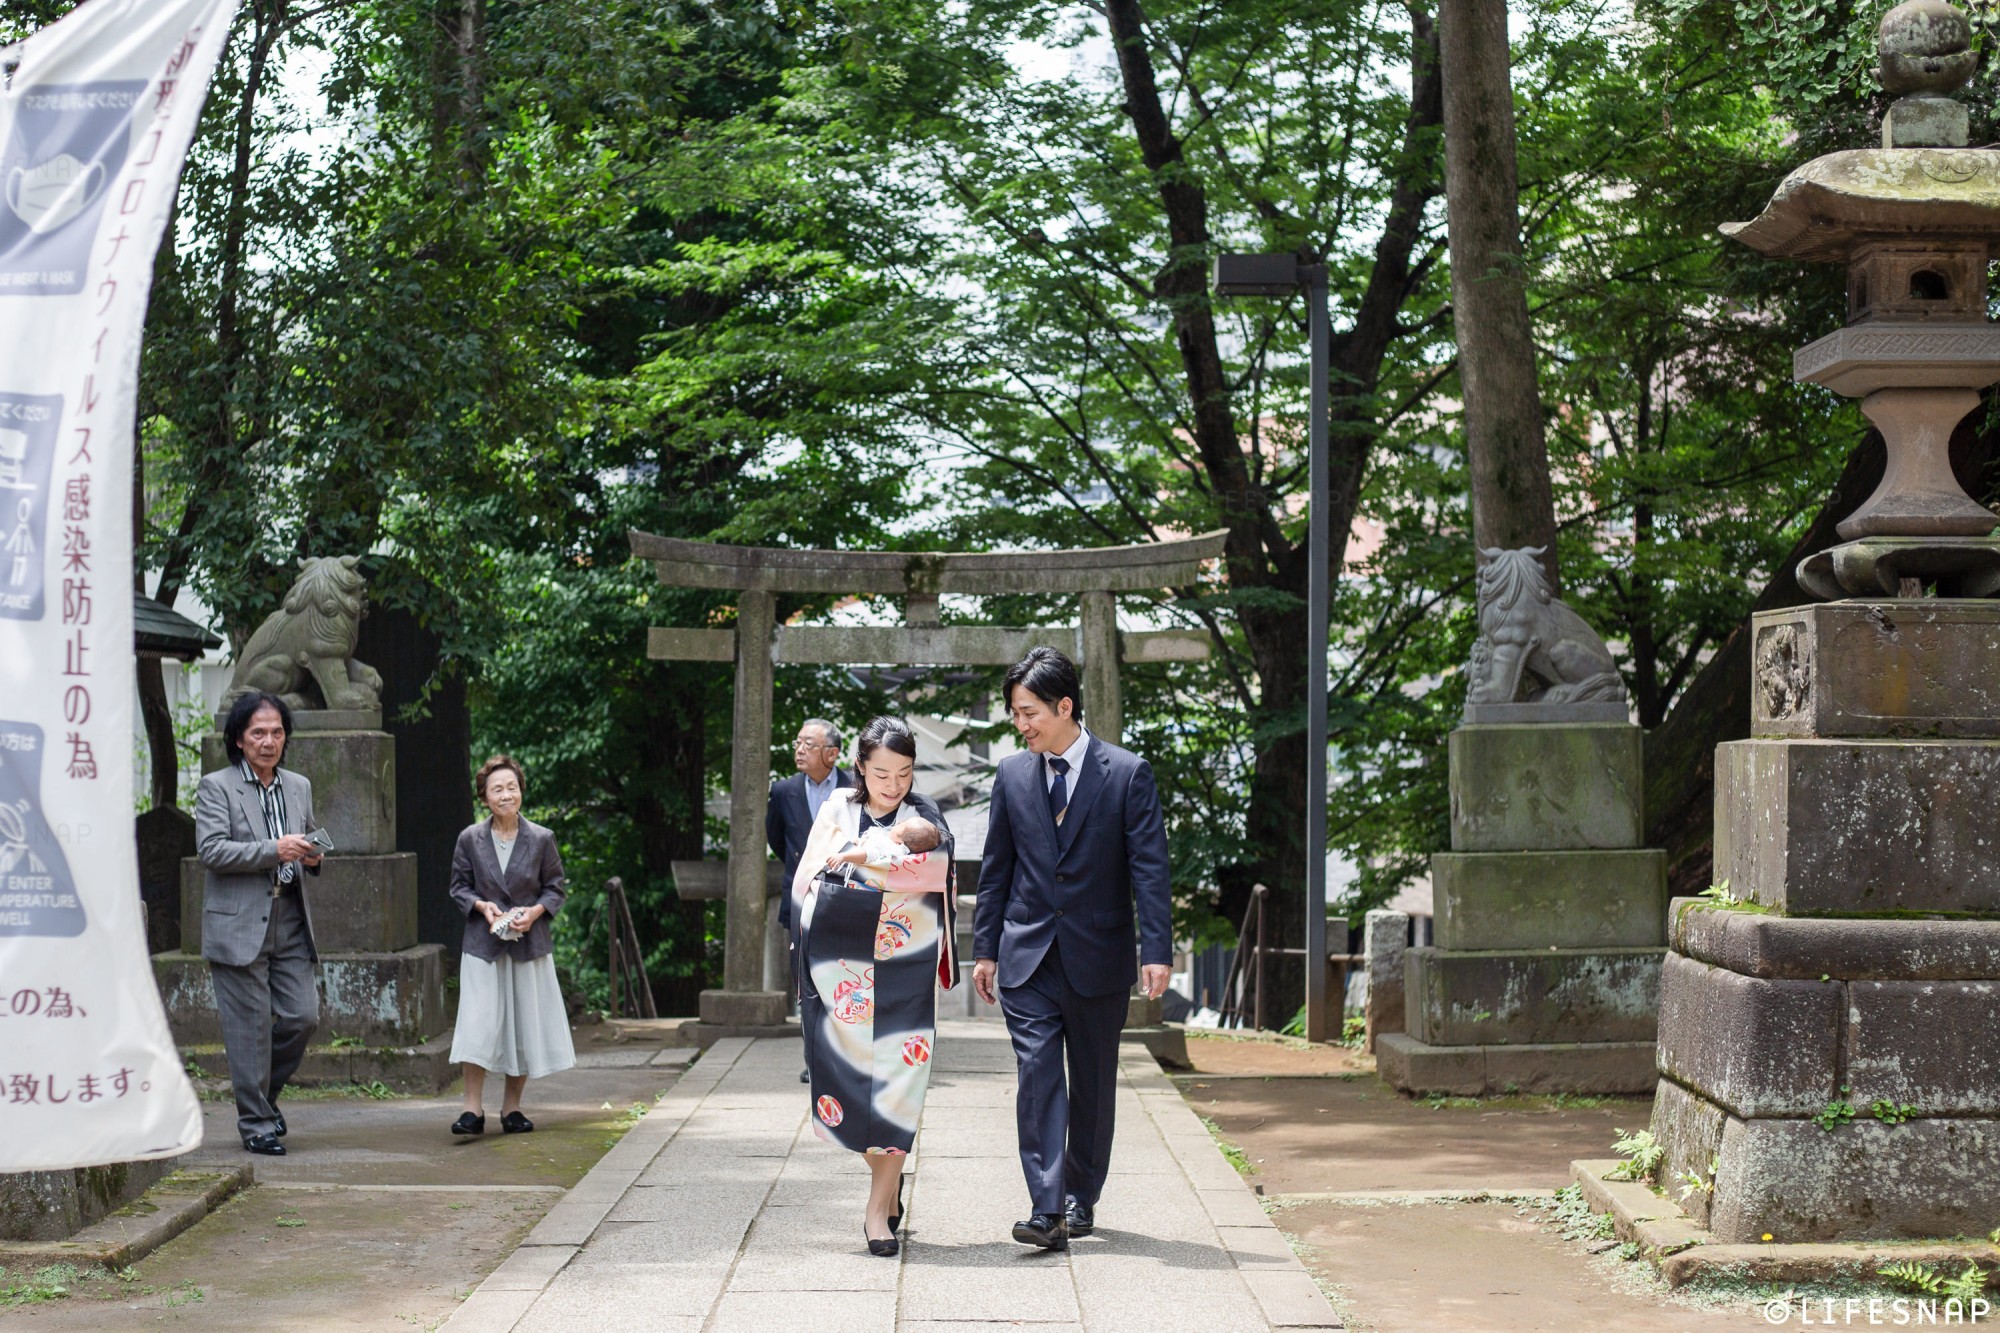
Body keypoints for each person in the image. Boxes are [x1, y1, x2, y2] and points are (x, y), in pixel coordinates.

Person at [971, 646, 1171, 1250]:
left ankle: (1082, 1195)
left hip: (1098, 955)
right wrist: (985, 949)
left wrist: (1156, 950)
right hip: (1027, 955)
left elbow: (1149, 869)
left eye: (1029, 712)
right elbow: (996, 868)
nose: (1020, 724)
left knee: (1092, 1082)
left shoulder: (1127, 773)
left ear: (1065, 706)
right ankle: (1046, 1208)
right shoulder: (1011, 775)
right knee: (1036, 1075)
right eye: (1014, 713)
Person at [791, 717, 957, 1257]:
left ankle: (877, 1209)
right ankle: (888, 1175)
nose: (893, 785)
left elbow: (934, 868)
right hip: (839, 971)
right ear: (860, 766)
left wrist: (868, 861)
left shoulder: (923, 814)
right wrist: (878, 869)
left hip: (904, 969)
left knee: (898, 1088)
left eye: (904, 774)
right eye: (882, 773)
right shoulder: (836, 808)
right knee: (841, 1084)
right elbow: (812, 877)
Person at [195, 691, 326, 1157]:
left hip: (289, 916)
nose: (268, 742)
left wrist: (312, 856)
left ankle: (263, 1099)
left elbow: (308, 840)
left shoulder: (298, 785)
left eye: (276, 732)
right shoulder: (217, 786)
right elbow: (211, 851)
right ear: (239, 739)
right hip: (238, 922)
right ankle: (255, 1124)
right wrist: (275, 849)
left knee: (302, 1017)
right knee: (248, 1028)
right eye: (258, 733)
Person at [446, 755, 575, 1137]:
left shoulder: (541, 838)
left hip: (527, 944)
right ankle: (471, 1109)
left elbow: (555, 888)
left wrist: (534, 913)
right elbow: (459, 887)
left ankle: (512, 1108)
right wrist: (482, 906)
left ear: (521, 791)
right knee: (477, 1024)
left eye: (512, 787)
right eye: (497, 789)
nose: (506, 795)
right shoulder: (470, 838)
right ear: (484, 797)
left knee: (522, 1023)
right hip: (482, 944)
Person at [767, 718, 852, 1083]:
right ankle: (814, 1061)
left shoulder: (856, 786)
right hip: (801, 897)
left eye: (809, 744)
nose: (800, 750)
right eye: (798, 743)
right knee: (806, 981)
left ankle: (848, 1057)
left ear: (831, 754)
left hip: (847, 896)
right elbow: (777, 839)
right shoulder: (783, 790)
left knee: (847, 976)